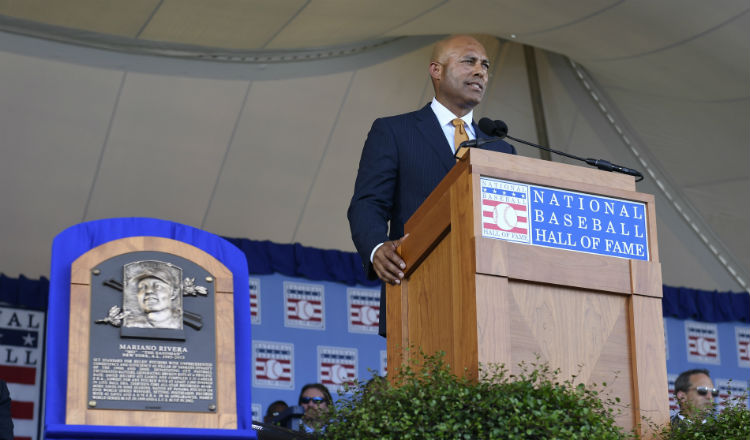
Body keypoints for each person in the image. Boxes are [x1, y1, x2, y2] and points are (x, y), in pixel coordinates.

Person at [347, 34, 516, 336]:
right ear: (436, 70)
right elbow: (368, 203)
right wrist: (376, 247)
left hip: (493, 304)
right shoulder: (394, 131)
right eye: (469, 61)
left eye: (486, 65)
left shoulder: (502, 150)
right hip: (418, 289)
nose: (481, 71)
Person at [123, 261, 183, 329]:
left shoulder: (179, 323)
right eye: (142, 287)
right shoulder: (131, 325)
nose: (148, 291)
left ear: (174, 293)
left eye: (157, 286)